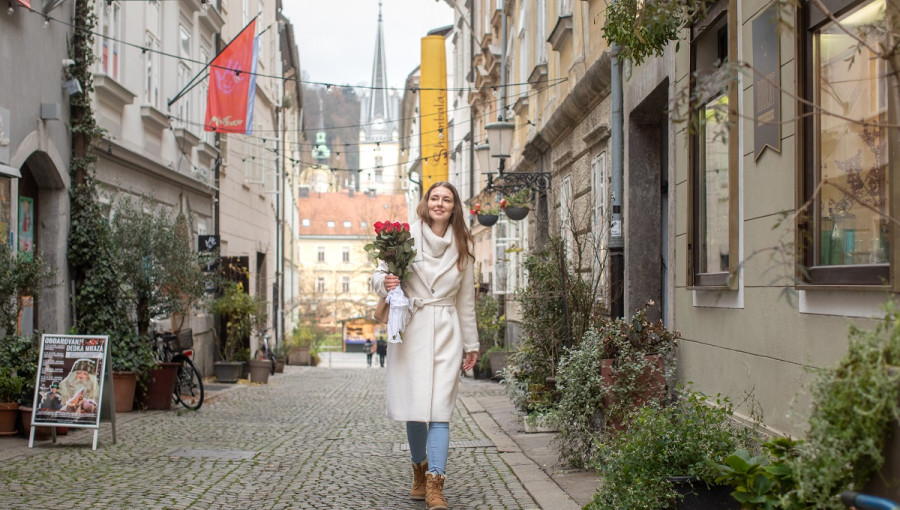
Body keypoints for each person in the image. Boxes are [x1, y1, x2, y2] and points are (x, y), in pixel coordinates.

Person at [372, 181, 479, 510]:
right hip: (412, 330)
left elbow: (466, 301)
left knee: (440, 411)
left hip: (447, 331)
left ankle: (436, 483)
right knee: (415, 409)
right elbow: (378, 275)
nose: (440, 203)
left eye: (447, 199)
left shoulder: (463, 243)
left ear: (454, 206)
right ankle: (418, 471)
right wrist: (386, 282)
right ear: (426, 202)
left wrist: (472, 343)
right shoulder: (404, 236)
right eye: (435, 197)